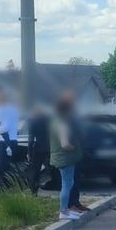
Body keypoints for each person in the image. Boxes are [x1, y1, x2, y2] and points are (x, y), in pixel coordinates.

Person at [48, 92, 83, 221]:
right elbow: (65, 144)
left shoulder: (55, 121)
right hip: (65, 158)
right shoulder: (62, 123)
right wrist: (73, 147)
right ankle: (63, 211)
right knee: (67, 184)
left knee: (68, 183)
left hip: (60, 157)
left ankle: (65, 210)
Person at [0, 90, 19, 181]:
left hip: (9, 140)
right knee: (3, 164)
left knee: (3, 165)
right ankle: (5, 183)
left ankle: (5, 184)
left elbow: (5, 127)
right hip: (2, 140)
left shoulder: (9, 110)